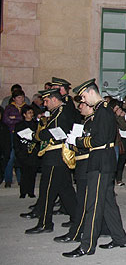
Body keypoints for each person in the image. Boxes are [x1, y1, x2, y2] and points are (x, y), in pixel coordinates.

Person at [62, 79, 126, 257]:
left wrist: (78, 141)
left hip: (100, 162)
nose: (83, 100)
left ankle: (87, 246)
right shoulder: (102, 111)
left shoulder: (103, 112)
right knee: (107, 203)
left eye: (83, 96)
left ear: (91, 92)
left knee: (94, 205)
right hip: (102, 161)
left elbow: (99, 139)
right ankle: (120, 238)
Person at [24, 88, 77, 235]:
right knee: (65, 190)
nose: (45, 104)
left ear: (54, 99)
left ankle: (45, 223)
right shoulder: (56, 112)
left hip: (55, 156)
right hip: (55, 156)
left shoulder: (62, 111)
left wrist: (39, 135)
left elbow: (60, 131)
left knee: (47, 190)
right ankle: (77, 217)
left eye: (47, 101)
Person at [53, 97, 93, 244]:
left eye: (82, 103)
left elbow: (89, 144)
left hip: (87, 165)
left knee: (83, 201)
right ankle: (108, 230)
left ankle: (76, 232)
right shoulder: (86, 121)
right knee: (103, 202)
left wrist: (74, 142)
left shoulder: (92, 122)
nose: (80, 106)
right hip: (82, 165)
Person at [2, 89, 27, 187]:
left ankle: (21, 179)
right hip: (12, 134)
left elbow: (28, 118)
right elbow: (6, 120)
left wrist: (15, 118)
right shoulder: (9, 108)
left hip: (23, 134)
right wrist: (20, 118)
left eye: (22, 97)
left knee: (21, 157)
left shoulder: (26, 107)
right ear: (14, 99)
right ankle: (8, 179)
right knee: (11, 156)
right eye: (19, 97)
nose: (21, 99)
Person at [13, 105, 39, 198]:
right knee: (24, 173)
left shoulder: (36, 125)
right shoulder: (19, 126)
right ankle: (23, 191)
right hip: (23, 152)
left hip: (33, 152)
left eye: (32, 113)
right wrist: (18, 152)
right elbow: (16, 140)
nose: (31, 115)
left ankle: (31, 191)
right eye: (29, 113)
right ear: (24, 114)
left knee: (32, 173)